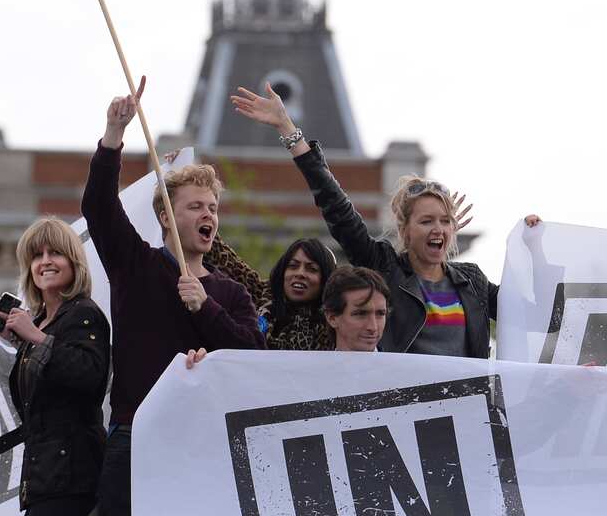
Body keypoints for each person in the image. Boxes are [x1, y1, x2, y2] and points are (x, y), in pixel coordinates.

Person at [81, 89, 264, 516]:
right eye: (194, 207)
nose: (208, 216)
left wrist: (204, 308)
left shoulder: (230, 292)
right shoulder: (135, 266)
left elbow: (252, 355)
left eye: (213, 208)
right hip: (134, 435)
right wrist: (114, 135)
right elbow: (98, 207)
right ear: (166, 216)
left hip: (200, 440)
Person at [231, 83, 539, 357]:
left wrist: (537, 243)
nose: (438, 229)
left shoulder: (473, 281)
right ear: (404, 228)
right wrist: (288, 128)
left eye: (445, 221)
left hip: (463, 415)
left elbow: (537, 315)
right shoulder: (385, 268)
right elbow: (336, 207)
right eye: (426, 221)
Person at [0, 217, 109, 516]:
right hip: (44, 472)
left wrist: (35, 338)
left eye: (55, 252)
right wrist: (16, 337)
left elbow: (89, 377)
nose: (45, 261)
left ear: (74, 261)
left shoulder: (83, 314)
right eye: (36, 255)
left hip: (71, 471)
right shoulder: (42, 320)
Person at [208, 236, 338, 350]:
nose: (300, 273)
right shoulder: (261, 294)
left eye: (311, 269)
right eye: (293, 266)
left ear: (326, 280)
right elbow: (220, 254)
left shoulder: (334, 322)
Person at [323, 266, 391, 353]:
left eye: (380, 314)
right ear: (332, 318)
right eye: (361, 314)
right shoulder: (312, 366)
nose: (373, 327)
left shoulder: (403, 366)